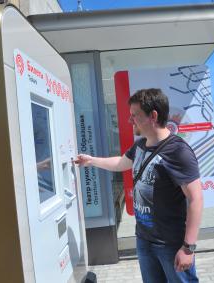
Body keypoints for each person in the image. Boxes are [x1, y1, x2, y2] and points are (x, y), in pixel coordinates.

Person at [75, 88, 203, 283]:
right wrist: (91, 161)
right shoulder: (141, 145)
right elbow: (121, 163)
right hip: (144, 240)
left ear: (153, 116)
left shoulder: (178, 151)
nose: (130, 120)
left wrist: (188, 248)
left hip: (170, 244)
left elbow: (196, 199)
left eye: (134, 115)